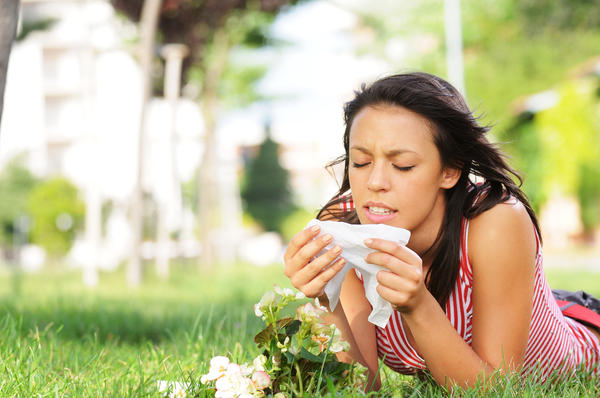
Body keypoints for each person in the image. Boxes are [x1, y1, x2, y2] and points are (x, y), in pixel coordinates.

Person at [283, 72, 600, 389]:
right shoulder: (344, 230)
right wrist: (328, 302)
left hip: (584, 347)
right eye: (361, 162)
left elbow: (498, 391)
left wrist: (418, 305)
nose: (375, 182)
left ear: (450, 170)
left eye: (402, 165)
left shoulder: (495, 222)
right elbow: (361, 388)